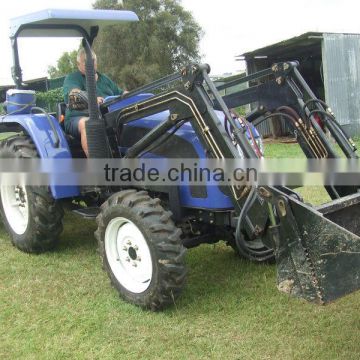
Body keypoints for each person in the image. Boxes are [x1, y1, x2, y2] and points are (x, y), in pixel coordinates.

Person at [63, 48, 124, 156]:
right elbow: (73, 95)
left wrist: (134, 95)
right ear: (78, 64)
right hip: (78, 118)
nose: (90, 64)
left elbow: (120, 93)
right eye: (86, 61)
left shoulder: (104, 79)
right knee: (88, 124)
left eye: (93, 60)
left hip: (108, 117)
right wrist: (92, 99)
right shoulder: (72, 78)